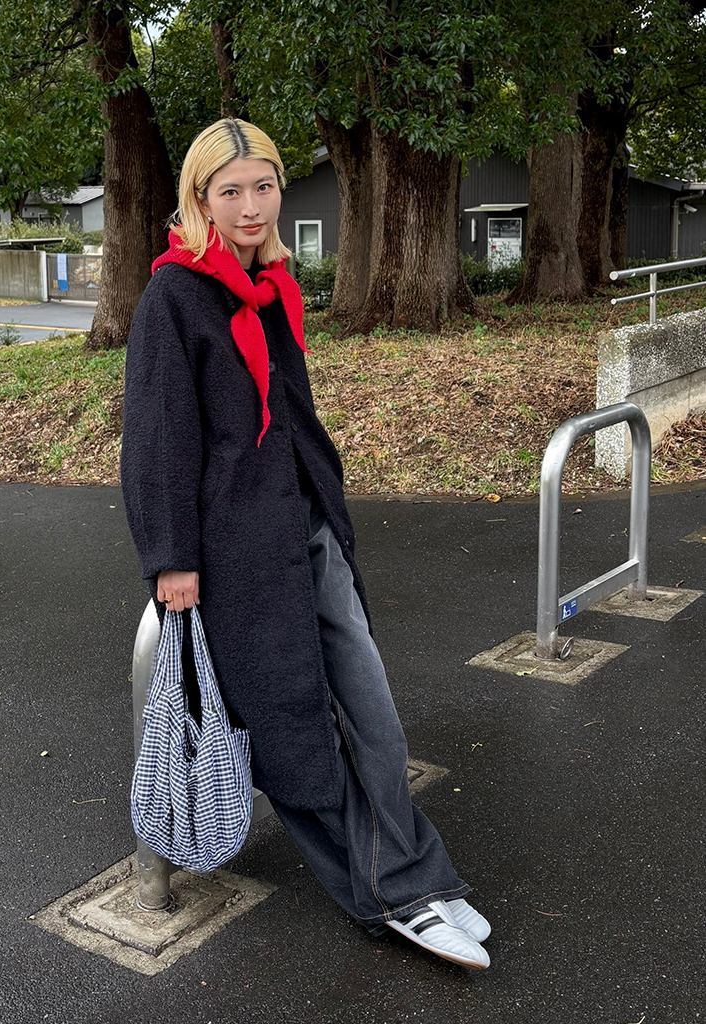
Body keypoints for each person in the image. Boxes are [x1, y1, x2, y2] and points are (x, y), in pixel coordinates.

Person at [120, 118, 491, 971]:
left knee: (373, 714)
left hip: (308, 531)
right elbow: (156, 441)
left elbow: (291, 417)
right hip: (233, 561)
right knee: (291, 732)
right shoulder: (174, 298)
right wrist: (171, 560)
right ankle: (395, 897)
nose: (251, 206)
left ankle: (415, 879)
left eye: (265, 186)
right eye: (231, 191)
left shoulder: (270, 286)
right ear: (200, 198)